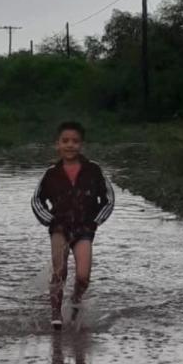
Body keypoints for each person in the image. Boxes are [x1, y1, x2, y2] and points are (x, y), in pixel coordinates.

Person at [31, 121, 115, 330]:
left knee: (83, 276)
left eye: (75, 141)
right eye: (65, 141)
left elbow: (108, 199)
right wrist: (50, 220)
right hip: (59, 228)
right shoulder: (51, 173)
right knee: (59, 271)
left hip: (85, 229)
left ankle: (76, 301)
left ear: (82, 145)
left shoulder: (94, 170)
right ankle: (56, 312)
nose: (70, 145)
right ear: (57, 144)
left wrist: (95, 221)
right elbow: (36, 200)